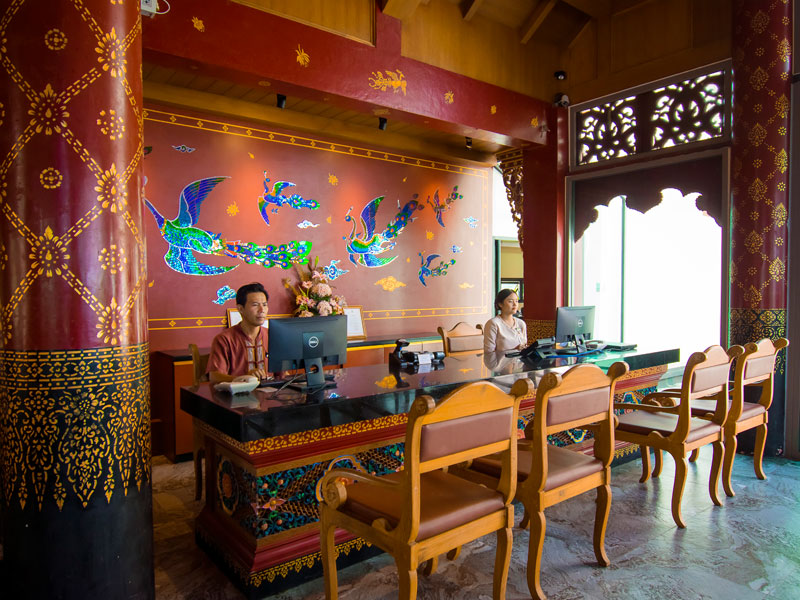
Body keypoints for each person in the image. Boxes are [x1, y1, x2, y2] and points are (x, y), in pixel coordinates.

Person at [207, 283, 270, 383]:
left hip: (272, 391)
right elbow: (214, 376)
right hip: (237, 391)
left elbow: (283, 374)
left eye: (265, 305)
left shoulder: (272, 336)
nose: (262, 310)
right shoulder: (224, 339)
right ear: (240, 309)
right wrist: (244, 379)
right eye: (255, 305)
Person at [483, 289, 527, 353]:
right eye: (510, 301)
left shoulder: (521, 323)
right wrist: (514, 350)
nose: (515, 304)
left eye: (516, 301)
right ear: (500, 304)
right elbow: (489, 352)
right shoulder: (493, 324)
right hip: (501, 360)